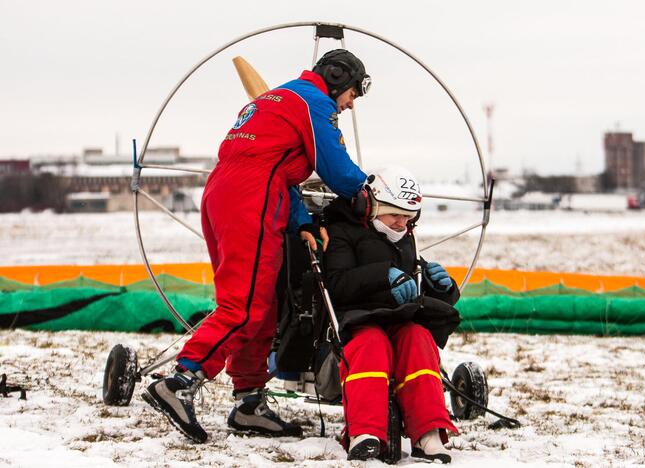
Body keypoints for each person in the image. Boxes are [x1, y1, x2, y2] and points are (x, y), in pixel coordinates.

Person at [142, 49, 372, 443]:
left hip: (225, 192)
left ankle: (249, 402)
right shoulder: (315, 102)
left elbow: (274, 167)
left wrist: (300, 221)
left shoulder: (277, 98)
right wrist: (367, 192)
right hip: (253, 197)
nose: (350, 105)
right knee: (244, 305)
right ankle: (181, 381)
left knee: (258, 304)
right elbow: (333, 163)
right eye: (352, 93)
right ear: (336, 78)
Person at [322, 165, 461, 463]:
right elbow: (337, 285)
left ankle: (428, 433)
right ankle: (365, 433)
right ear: (370, 207)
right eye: (394, 215)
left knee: (419, 337)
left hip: (399, 319)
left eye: (408, 218)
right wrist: (384, 275)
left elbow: (414, 285)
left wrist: (443, 289)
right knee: (371, 344)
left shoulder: (405, 237)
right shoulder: (342, 234)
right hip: (358, 320)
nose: (401, 224)